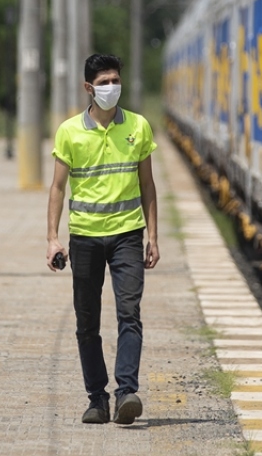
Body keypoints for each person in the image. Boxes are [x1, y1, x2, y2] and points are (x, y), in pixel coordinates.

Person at [46, 53, 160, 425]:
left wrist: (153, 237)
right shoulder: (69, 131)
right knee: (87, 322)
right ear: (88, 88)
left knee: (130, 313)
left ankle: (126, 392)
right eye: (104, 82)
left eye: (115, 80)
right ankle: (97, 400)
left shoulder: (139, 126)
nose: (111, 87)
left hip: (128, 234)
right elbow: (57, 187)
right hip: (85, 238)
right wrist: (53, 239)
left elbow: (147, 185)